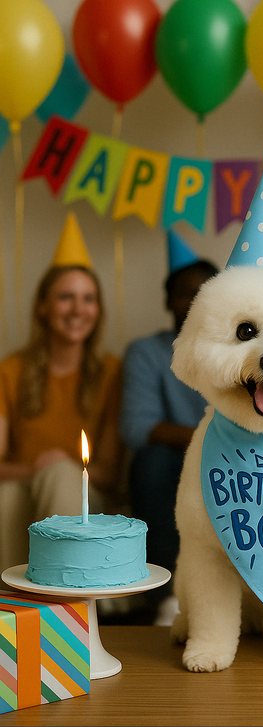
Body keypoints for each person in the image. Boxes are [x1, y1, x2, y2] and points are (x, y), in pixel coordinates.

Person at [0, 213, 122, 588]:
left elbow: (107, 473)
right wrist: (42, 468)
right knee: (6, 498)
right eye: (65, 297)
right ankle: (13, 608)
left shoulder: (111, 372)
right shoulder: (11, 370)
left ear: (98, 310)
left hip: (85, 495)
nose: (77, 309)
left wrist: (62, 467)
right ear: (43, 306)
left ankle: (65, 601)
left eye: (87, 299)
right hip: (21, 484)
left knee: (62, 475)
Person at [120, 230, 218, 624]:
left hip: (232, 459)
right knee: (153, 460)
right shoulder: (147, 352)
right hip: (175, 465)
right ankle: (167, 594)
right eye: (184, 292)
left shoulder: (242, 350)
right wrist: (207, 438)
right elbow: (136, 427)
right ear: (167, 301)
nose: (195, 300)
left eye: (206, 291)